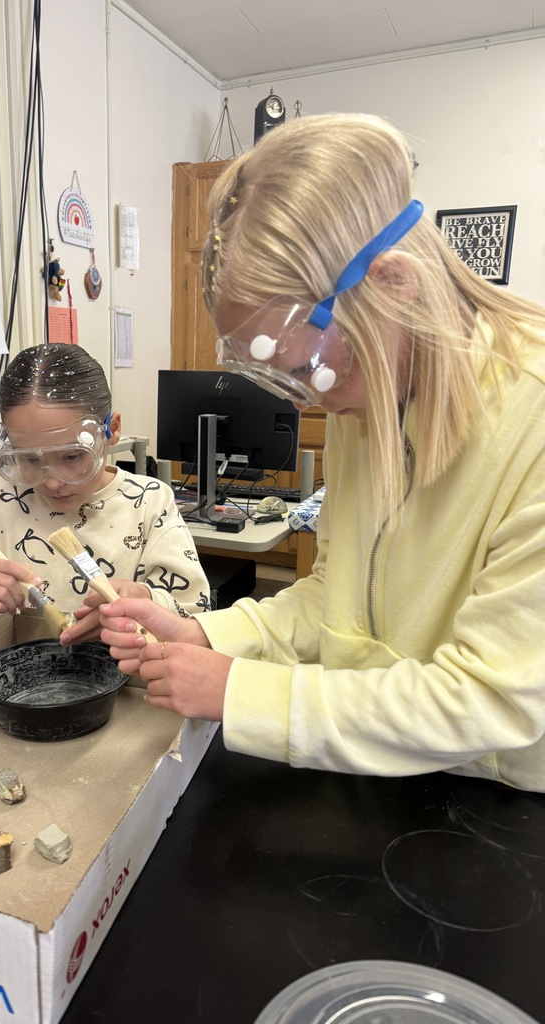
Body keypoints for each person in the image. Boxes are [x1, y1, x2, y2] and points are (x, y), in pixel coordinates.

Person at [98, 112, 545, 793]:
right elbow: (330, 602)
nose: (310, 401)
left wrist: (241, 692)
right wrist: (206, 638)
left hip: (494, 806)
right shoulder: (367, 393)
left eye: (308, 370)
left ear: (393, 284)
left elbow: (490, 700)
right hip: (378, 768)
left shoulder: (532, 418)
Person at [0, 343, 210, 652]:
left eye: (73, 456)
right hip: (16, 686)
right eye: (30, 460)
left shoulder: (149, 503)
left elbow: (199, 623)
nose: (52, 481)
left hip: (129, 684)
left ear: (111, 430)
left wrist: (148, 602)